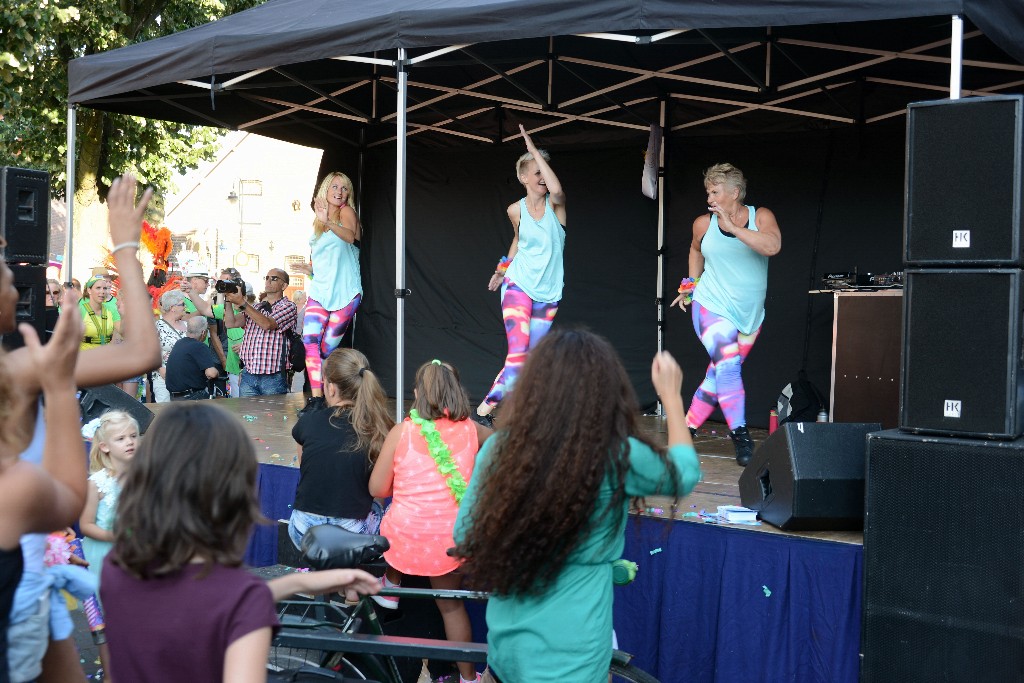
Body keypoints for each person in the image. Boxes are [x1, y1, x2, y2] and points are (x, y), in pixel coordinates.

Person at [454, 328, 702, 683]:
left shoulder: (498, 449)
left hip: (508, 653)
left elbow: (465, 535)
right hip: (574, 658)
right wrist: (673, 400)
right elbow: (684, 473)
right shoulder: (616, 455)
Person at [1, 172, 161, 683]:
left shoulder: (18, 366)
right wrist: (126, 247)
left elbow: (140, 353)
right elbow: (142, 351)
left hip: (28, 583)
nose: (13, 274)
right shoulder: (23, 371)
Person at [100, 402, 381, 682]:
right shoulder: (241, 601)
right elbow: (228, 604)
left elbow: (201, 605)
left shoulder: (117, 567)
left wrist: (298, 583)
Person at [369, 359, 491, 683]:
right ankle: (467, 678)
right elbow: (504, 450)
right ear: (458, 391)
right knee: (451, 608)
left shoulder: (402, 431)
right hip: (448, 545)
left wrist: (409, 484)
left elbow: (377, 489)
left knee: (395, 518)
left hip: (403, 544)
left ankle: (391, 587)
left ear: (416, 393)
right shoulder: (473, 430)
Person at [670, 163, 781, 466]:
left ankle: (685, 429)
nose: (710, 197)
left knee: (716, 376)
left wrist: (734, 229)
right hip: (710, 306)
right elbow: (695, 250)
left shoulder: (762, 216)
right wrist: (689, 286)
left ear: (734, 193)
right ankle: (741, 437)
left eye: (715, 192)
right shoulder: (703, 224)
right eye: (708, 192)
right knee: (729, 368)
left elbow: (772, 247)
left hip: (749, 316)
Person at [475, 124, 565, 427]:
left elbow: (558, 190)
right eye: (535, 171)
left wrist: (533, 148)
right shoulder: (515, 210)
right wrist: (501, 271)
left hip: (549, 292)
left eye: (544, 170)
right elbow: (518, 240)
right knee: (517, 354)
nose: (541, 176)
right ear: (523, 177)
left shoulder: (556, 206)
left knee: (530, 361)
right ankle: (501, 414)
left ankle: (495, 410)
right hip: (518, 285)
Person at [287, 348, 393, 550]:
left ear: (331, 388)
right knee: (382, 506)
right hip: (353, 533)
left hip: (303, 530)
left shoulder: (307, 421)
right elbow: (379, 487)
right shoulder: (378, 427)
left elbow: (307, 470)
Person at [294, 171, 362, 412]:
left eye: (344, 188)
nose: (339, 191)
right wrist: (310, 269)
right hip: (321, 292)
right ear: (326, 188)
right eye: (334, 186)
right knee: (310, 343)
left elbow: (351, 238)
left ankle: (327, 396)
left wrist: (327, 221)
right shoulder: (318, 222)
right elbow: (329, 262)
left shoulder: (346, 213)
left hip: (345, 295)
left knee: (324, 350)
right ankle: (316, 399)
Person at [79, 411, 139, 589]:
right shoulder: (97, 483)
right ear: (105, 447)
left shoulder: (144, 477)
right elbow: (86, 525)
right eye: (120, 439)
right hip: (106, 553)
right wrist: (113, 536)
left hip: (139, 549)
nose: (129, 442)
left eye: (133, 436)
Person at [222, 268, 297, 397]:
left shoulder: (289, 306)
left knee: (272, 416)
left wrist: (242, 303)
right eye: (266, 277)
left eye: (274, 278)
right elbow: (231, 323)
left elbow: (267, 324)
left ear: (284, 285)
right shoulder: (256, 307)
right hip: (249, 374)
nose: (268, 280)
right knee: (247, 417)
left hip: (273, 376)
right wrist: (228, 300)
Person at [164, 316, 221, 400]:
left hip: (174, 397)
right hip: (192, 397)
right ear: (203, 332)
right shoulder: (200, 346)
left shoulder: (179, 343)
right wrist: (217, 372)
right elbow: (211, 374)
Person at [152, 290, 188, 402]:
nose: (185, 307)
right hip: (163, 377)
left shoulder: (188, 325)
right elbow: (149, 352)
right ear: (173, 307)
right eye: (182, 304)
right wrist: (160, 368)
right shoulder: (157, 327)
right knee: (165, 412)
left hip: (186, 377)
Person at [78, 275, 121, 350]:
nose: (102, 292)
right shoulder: (80, 310)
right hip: (85, 356)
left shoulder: (111, 310)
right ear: (89, 290)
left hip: (105, 357)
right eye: (98, 288)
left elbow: (122, 331)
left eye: (104, 288)